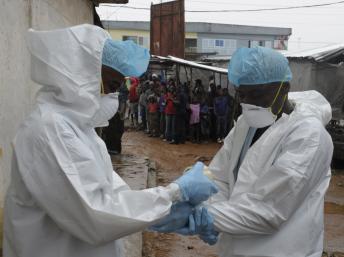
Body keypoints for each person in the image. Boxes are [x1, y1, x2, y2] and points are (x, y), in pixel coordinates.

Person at [3, 24, 218, 257]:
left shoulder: (81, 130)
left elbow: (114, 194)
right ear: (82, 73)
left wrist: (159, 212)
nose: (114, 97)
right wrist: (175, 192)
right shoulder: (48, 131)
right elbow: (95, 215)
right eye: (112, 85)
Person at [152, 47, 334, 257]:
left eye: (256, 95)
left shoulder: (308, 136)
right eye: (242, 94)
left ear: (283, 89)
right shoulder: (245, 124)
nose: (248, 103)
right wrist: (200, 201)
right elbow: (221, 178)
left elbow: (269, 211)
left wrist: (206, 216)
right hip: (236, 246)